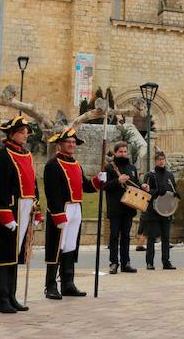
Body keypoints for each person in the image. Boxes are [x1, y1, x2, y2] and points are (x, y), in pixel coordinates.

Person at [43, 127, 105, 298]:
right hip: (61, 210)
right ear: (60, 144)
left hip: (76, 208)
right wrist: (57, 214)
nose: (71, 145)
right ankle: (50, 285)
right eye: (68, 142)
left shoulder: (76, 164)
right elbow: (52, 193)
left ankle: (68, 283)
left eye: (73, 143)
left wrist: (98, 180)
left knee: (70, 246)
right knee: (56, 248)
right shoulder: (52, 165)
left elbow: (85, 186)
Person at [0, 115, 42, 314]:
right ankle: (1, 297)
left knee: (16, 254)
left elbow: (34, 183)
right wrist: (4, 212)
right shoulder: (3, 155)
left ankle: (12, 295)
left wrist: (36, 208)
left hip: (26, 209)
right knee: (5, 254)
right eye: (21, 132)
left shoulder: (27, 155)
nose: (25, 135)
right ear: (11, 134)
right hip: (12, 209)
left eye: (26, 132)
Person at [104, 142, 143, 274]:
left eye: (125, 151)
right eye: (120, 151)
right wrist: (117, 181)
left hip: (129, 208)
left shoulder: (132, 168)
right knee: (114, 236)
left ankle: (126, 263)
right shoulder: (109, 168)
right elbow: (105, 186)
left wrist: (143, 187)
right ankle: (114, 263)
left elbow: (135, 184)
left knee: (126, 236)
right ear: (115, 153)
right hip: (115, 207)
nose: (123, 154)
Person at [143, 150, 178, 270]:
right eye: (159, 159)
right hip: (153, 210)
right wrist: (157, 192)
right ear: (155, 161)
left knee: (166, 237)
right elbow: (145, 192)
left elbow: (173, 189)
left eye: (163, 159)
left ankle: (166, 261)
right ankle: (149, 262)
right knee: (152, 237)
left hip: (166, 210)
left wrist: (176, 195)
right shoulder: (150, 175)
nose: (161, 161)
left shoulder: (170, 175)